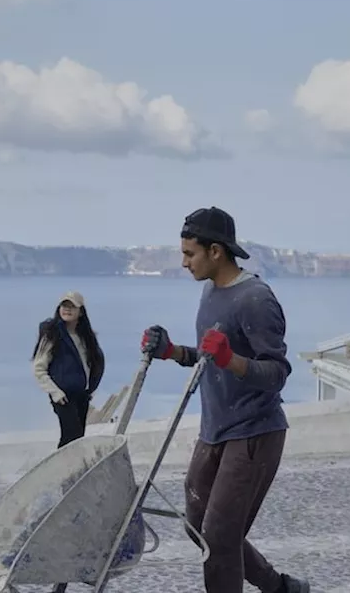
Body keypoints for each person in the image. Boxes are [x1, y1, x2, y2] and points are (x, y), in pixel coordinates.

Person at [139, 207, 310, 593]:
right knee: (199, 528)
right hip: (214, 430)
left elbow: (277, 373)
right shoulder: (211, 291)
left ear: (215, 251)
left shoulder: (255, 299)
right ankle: (282, 588)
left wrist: (230, 359)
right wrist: (171, 351)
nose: (183, 263)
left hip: (254, 433)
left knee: (218, 538)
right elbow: (207, 357)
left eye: (189, 254)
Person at [30, 291, 106, 447]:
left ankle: (73, 470)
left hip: (81, 395)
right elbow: (39, 368)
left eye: (72, 306)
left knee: (78, 438)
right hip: (63, 396)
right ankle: (62, 469)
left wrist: (90, 388)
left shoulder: (86, 337)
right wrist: (55, 393)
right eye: (64, 305)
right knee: (70, 436)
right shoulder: (52, 335)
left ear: (81, 311)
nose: (67, 309)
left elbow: (94, 364)